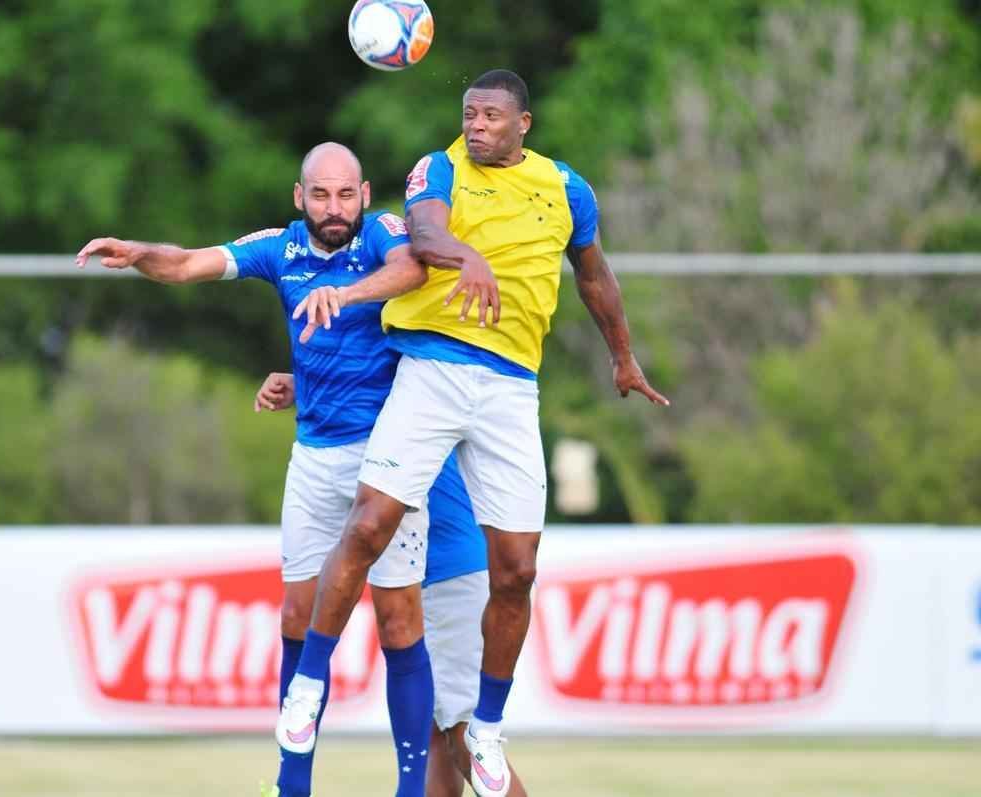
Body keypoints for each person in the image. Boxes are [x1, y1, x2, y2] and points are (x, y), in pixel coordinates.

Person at [276, 70, 669, 797]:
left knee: (517, 569)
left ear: (525, 122)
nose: (477, 125)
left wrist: (621, 354)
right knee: (367, 524)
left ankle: (489, 722)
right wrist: (466, 255)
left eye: (491, 115)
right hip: (434, 367)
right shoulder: (441, 167)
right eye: (469, 114)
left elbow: (593, 272)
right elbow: (425, 232)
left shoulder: (566, 189)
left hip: (512, 386)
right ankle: (306, 686)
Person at [76, 142, 443, 797]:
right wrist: (138, 254)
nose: (335, 207)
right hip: (313, 458)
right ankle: (290, 784)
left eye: (345, 194)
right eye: (321, 195)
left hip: (387, 460)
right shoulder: (281, 247)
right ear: (299, 198)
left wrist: (345, 292)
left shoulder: (384, 233)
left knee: (398, 620)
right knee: (298, 615)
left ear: (363, 194)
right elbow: (190, 261)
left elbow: (415, 269)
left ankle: (411, 789)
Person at [257, 373, 527, 797]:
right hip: (440, 565)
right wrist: (310, 385)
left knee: (463, 739)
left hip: (449, 568)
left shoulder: (428, 383)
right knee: (437, 738)